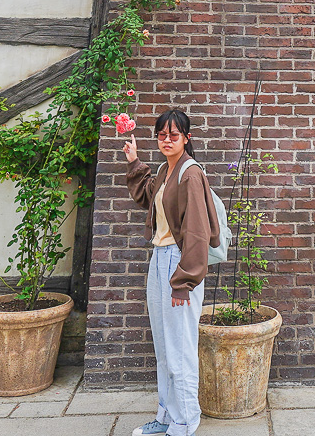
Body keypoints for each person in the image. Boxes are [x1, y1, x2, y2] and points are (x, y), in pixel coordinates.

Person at [122, 109, 221, 436]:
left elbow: (197, 232)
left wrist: (183, 282)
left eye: (173, 135)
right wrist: (134, 161)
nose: (167, 140)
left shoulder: (190, 175)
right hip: (160, 259)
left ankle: (185, 423)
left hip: (180, 263)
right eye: (161, 135)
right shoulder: (167, 170)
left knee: (180, 349)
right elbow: (149, 196)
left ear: (186, 138)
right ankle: (166, 417)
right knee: (165, 349)